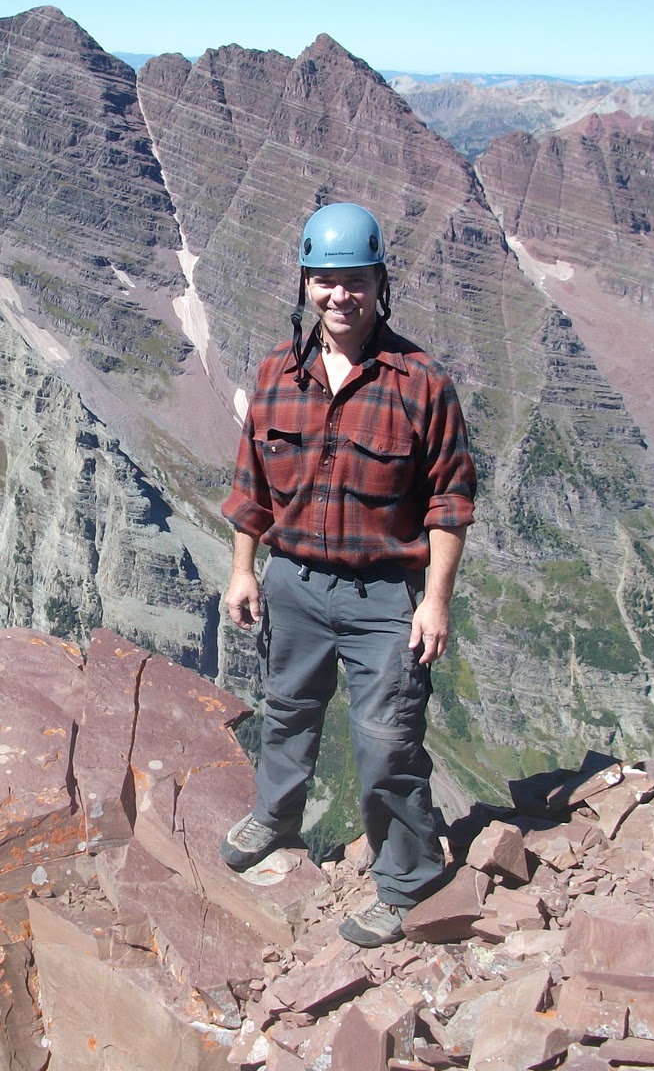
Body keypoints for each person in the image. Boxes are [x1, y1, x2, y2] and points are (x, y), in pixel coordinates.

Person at [219, 201, 477, 948]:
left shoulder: (422, 384)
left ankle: (406, 880)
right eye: (325, 281)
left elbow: (451, 500)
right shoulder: (277, 373)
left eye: (354, 280)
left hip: (385, 598)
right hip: (294, 581)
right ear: (305, 284)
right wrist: (244, 570)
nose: (340, 296)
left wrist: (435, 601)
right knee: (288, 708)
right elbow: (251, 484)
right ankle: (274, 816)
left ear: (378, 283)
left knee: (386, 740)